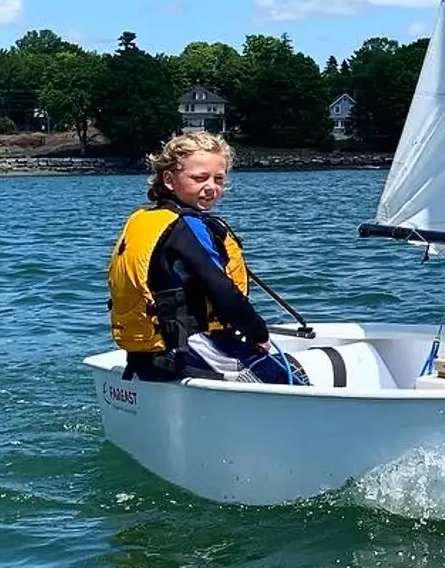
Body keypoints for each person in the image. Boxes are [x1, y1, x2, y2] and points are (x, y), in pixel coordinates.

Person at [106, 131, 304, 384]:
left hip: (147, 356)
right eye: (200, 178)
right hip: (191, 347)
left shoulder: (143, 220)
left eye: (218, 179)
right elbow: (221, 289)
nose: (211, 187)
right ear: (169, 179)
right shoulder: (187, 226)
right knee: (291, 380)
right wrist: (258, 332)